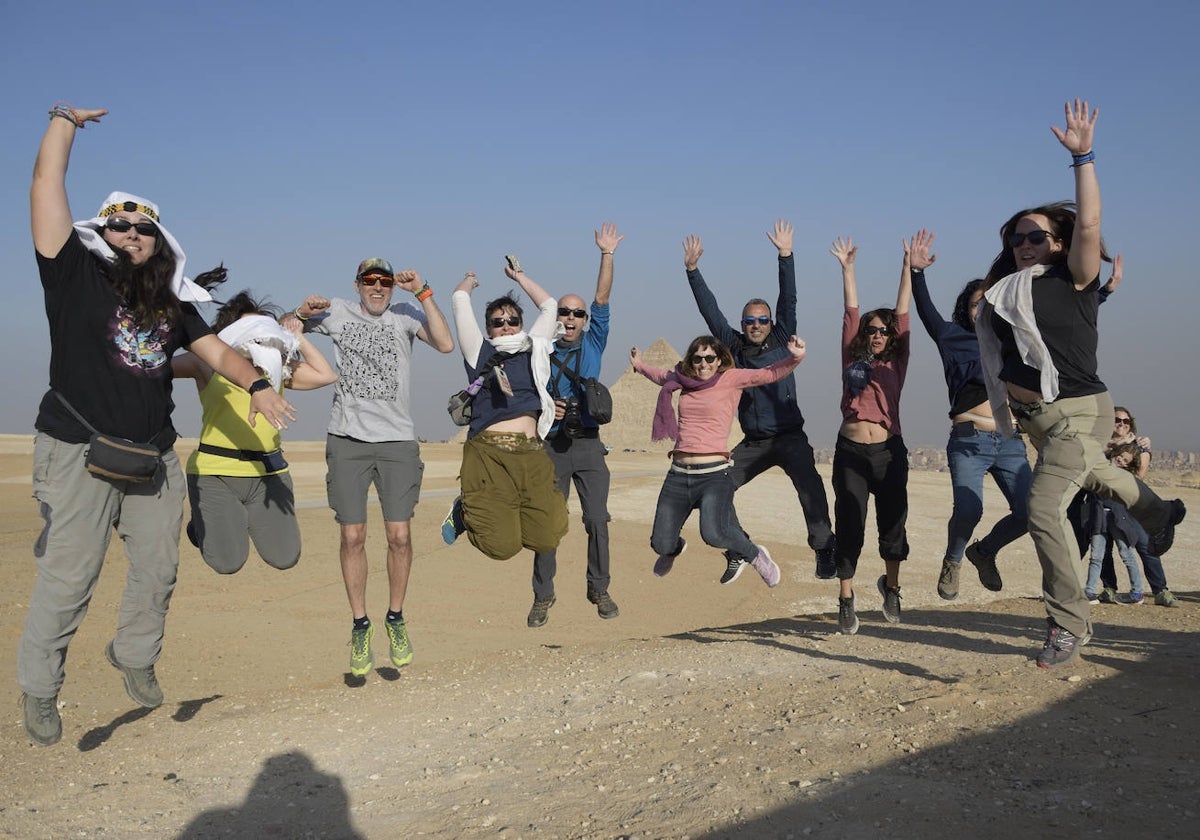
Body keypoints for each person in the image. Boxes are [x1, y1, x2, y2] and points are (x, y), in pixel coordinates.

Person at [20, 104, 294, 746]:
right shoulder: (71, 271)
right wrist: (63, 121)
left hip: (154, 455)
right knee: (72, 574)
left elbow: (215, 351)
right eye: (121, 223)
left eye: (145, 227)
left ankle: (134, 654)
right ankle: (40, 686)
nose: (133, 233)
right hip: (78, 444)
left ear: (159, 240)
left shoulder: (172, 299)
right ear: (103, 229)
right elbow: (43, 187)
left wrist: (255, 384)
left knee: (159, 565)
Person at [975, 100, 1186, 669]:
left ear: (1060, 243)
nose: (1025, 244)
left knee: (1044, 509)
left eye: (1038, 236)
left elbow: (1089, 222)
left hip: (1078, 411)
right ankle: (1161, 514)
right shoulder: (1004, 295)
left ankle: (1068, 622)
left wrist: (1083, 157)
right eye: (1018, 236)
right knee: (1097, 474)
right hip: (1039, 420)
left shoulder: (1076, 279)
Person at [292, 260, 454, 677]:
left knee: (399, 535)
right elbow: (282, 329)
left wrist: (422, 291)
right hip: (347, 440)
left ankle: (395, 618)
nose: (378, 287)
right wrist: (301, 313)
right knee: (352, 535)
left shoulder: (406, 314)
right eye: (370, 281)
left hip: (397, 441)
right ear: (358, 285)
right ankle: (361, 624)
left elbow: (445, 344)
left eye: (385, 282)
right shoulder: (338, 312)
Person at [684, 221, 837, 579]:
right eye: (749, 320)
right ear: (743, 323)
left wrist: (786, 255)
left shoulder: (783, 337)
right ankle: (740, 546)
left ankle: (824, 547)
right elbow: (711, 312)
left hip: (789, 437)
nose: (755, 325)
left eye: (762, 319)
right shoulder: (733, 348)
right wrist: (692, 271)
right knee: (715, 486)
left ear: (771, 323)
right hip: (754, 442)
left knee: (810, 488)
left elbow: (790, 298)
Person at [173, 271, 338, 574]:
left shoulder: (279, 371)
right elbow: (159, 367)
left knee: (285, 557)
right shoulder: (205, 364)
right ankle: (204, 523)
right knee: (228, 563)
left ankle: (232, 522)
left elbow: (326, 375)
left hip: (269, 473)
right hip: (216, 471)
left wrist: (296, 336)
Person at [908, 230, 1032, 601]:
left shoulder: (1014, 343)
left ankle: (986, 551)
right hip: (969, 441)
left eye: (990, 302)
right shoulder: (951, 337)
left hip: (1010, 441)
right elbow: (926, 311)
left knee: (1030, 514)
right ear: (967, 307)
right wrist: (917, 273)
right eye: (978, 303)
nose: (983, 309)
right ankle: (954, 559)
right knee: (969, 508)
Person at [445, 267, 570, 625]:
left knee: (548, 534)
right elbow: (458, 300)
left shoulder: (536, 348)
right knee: (501, 548)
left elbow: (550, 306)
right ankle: (466, 511)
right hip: (489, 454)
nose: (506, 326)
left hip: (531, 454)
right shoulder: (479, 353)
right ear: (488, 329)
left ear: (521, 323)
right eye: (498, 322)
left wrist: (520, 278)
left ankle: (476, 506)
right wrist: (469, 281)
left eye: (513, 320)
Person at [630, 333, 807, 587]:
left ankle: (755, 555)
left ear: (719, 359)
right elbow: (660, 376)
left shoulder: (730, 379)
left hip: (713, 475)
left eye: (709, 358)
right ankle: (673, 549)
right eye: (698, 358)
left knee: (714, 534)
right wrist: (639, 365)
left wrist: (795, 357)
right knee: (660, 543)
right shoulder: (683, 379)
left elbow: (768, 374)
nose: (703, 364)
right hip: (679, 475)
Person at [523, 224, 623, 627]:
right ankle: (542, 595)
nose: (569, 317)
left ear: (585, 319)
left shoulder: (594, 341)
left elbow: (602, 297)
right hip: (553, 447)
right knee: (549, 524)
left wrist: (607, 254)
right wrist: (550, 411)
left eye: (576, 313)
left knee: (597, 520)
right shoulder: (541, 351)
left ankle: (599, 588)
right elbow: (527, 396)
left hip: (589, 446)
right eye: (563, 311)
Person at [828, 236, 914, 635]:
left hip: (887, 451)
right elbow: (850, 312)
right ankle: (846, 598)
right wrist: (847, 270)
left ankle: (891, 587)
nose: (877, 334)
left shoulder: (896, 363)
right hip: (850, 452)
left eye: (883, 331)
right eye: (871, 330)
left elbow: (903, 313)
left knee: (892, 524)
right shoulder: (852, 357)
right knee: (849, 523)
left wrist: (907, 266)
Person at [1083, 443, 1146, 604]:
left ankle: (1137, 592)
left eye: (1126, 461)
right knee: (1096, 556)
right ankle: (1089, 591)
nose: (1122, 460)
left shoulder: (1123, 476)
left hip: (1118, 519)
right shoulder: (1099, 466)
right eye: (1122, 456)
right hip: (1099, 518)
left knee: (1126, 554)